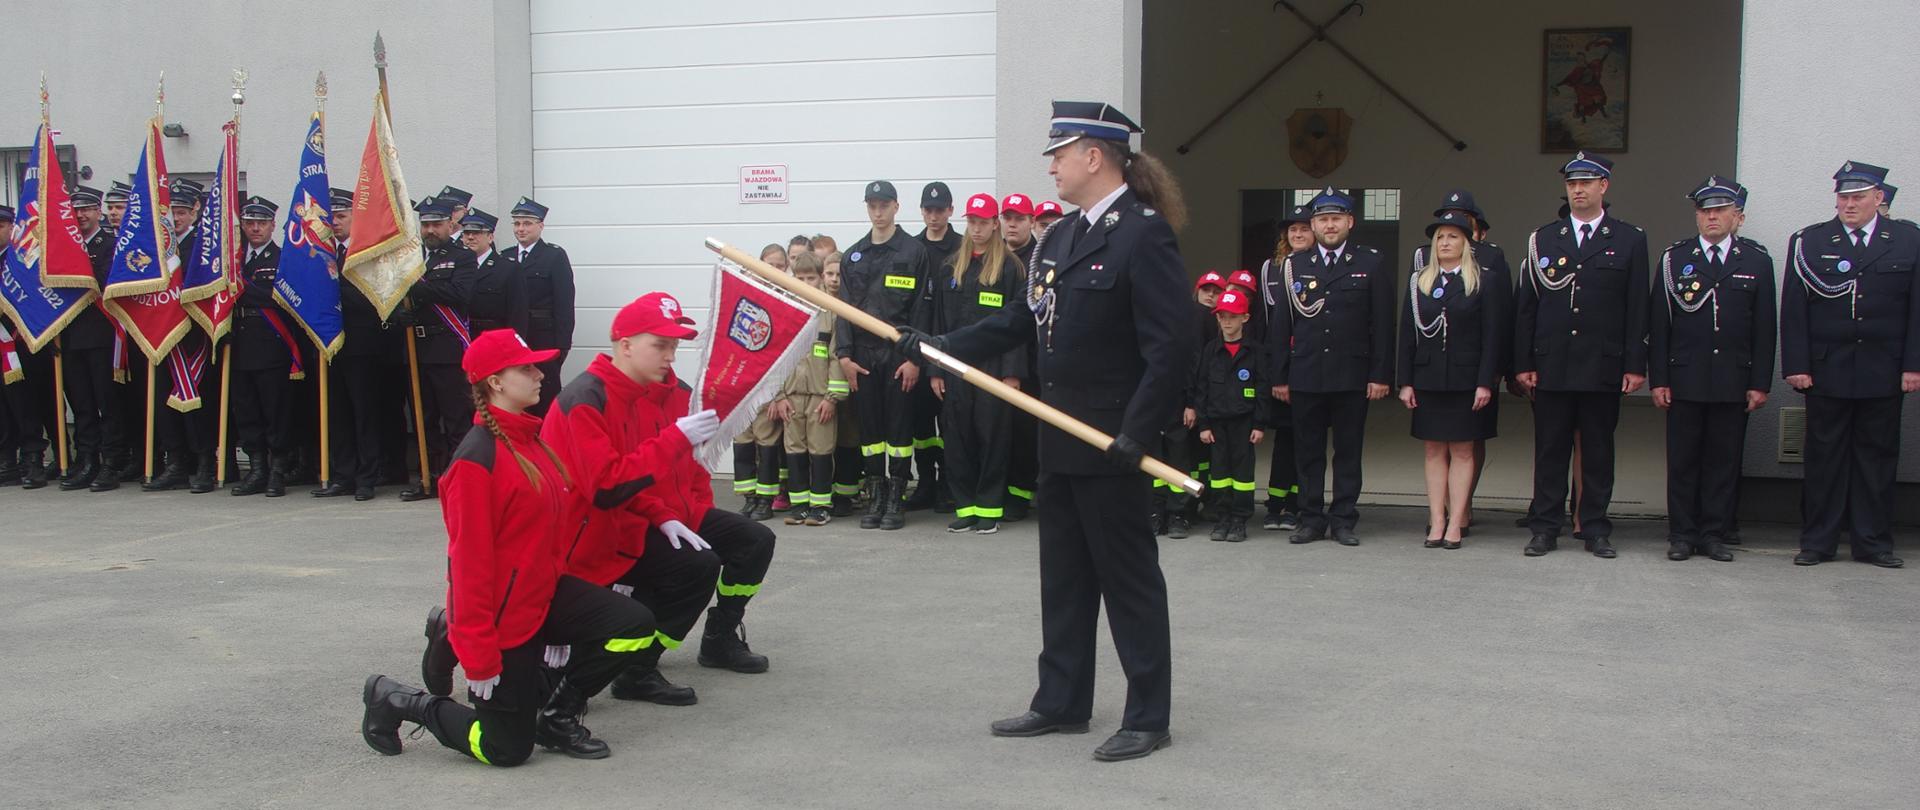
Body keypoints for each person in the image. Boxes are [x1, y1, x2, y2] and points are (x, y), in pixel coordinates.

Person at [897, 100, 1191, 762]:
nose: (1053, 164)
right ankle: (1061, 700)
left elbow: (1171, 349)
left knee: (1129, 581)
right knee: (1063, 578)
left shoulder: (1144, 235)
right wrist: (943, 344)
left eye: (1061, 152)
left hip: (1111, 441)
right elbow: (1023, 325)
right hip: (1057, 435)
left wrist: (1138, 435)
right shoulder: (1058, 239)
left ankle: (1149, 713)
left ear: (1096, 156)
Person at [360, 328, 658, 765]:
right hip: (502, 620)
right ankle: (399, 699)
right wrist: (479, 655)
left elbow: (551, 538)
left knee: (633, 624)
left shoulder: (530, 441)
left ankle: (557, 714)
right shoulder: (475, 461)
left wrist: (565, 621)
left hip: (542, 596)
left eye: (537, 365)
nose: (540, 374)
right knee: (506, 748)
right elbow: (468, 566)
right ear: (495, 382)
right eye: (527, 368)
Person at [540, 293, 776, 697]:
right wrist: (664, 498)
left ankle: (648, 663)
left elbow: (685, 466)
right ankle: (454, 634)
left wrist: (670, 514)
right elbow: (608, 487)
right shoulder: (588, 398)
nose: (671, 355)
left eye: (674, 346)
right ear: (626, 345)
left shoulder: (661, 390)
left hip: (646, 516)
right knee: (537, 692)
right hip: (591, 538)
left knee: (741, 545)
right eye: (660, 345)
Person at [1512, 152, 1650, 559]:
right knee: (1550, 450)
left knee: (1597, 450)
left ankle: (1594, 527)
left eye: (1587, 183)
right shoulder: (1544, 238)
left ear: (1603, 186)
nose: (1578, 190)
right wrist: (1524, 363)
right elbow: (1528, 307)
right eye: (1572, 183)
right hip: (1553, 362)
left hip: (1602, 363)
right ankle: (1545, 526)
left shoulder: (1629, 239)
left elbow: (1636, 306)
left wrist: (1634, 365)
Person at [1780, 161, 1917, 569]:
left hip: (1883, 369)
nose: (1849, 204)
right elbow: (1794, 310)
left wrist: (1914, 365)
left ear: (1879, 198)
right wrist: (1797, 364)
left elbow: (1916, 311)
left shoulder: (1908, 240)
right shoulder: (1810, 240)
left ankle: (1873, 541)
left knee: (1877, 458)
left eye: (1858, 196)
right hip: (1827, 369)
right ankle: (1818, 541)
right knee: (1824, 458)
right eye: (1843, 196)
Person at [1650, 177, 1773, 563]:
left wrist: (1759, 383)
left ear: (1737, 216)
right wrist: (1660, 379)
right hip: (1685, 376)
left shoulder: (1755, 260)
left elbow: (1765, 328)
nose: (1712, 217)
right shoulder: (1675, 258)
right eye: (1705, 211)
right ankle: (1682, 534)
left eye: (1720, 210)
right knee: (1683, 459)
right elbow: (1659, 324)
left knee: (1723, 460)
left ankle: (1714, 533)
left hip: (1732, 378)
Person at [1269, 187, 1396, 547]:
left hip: (1351, 375)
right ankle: (1311, 519)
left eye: (1336, 218)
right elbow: (1282, 326)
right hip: (1306, 373)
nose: (1329, 225)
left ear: (1349, 222)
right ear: (1313, 224)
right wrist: (1279, 376)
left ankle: (1343, 519)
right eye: (1322, 219)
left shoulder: (1370, 263)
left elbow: (1383, 324)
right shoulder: (1295, 264)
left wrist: (1380, 374)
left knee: (1348, 451)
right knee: (1307, 452)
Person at [1397, 211, 1508, 549]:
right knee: (1433, 450)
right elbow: (1408, 335)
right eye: (1440, 238)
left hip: (1465, 378)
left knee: (1462, 450)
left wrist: (1485, 381)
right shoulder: (1420, 282)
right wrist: (1405, 381)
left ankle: (1456, 523)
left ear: (1467, 243)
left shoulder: (1483, 280)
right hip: (1428, 377)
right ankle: (1437, 519)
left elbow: (1492, 336)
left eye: (1453, 237)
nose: (1445, 243)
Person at [838, 180, 936, 531]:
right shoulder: (853, 255)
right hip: (863, 355)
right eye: (872, 205)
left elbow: (924, 310)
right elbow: (843, 308)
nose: (878, 212)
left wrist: (916, 359)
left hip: (899, 354)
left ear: (896, 206)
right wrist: (844, 356)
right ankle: (875, 492)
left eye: (884, 205)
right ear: (867, 207)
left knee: (898, 428)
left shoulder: (913, 252)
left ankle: (896, 494)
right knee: (870, 431)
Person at [927, 193, 1027, 534]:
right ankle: (966, 506)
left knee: (992, 438)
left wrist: (1012, 373)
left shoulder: (1011, 268)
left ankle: (989, 508)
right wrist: (935, 370)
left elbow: (1018, 325)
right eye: (972, 222)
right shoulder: (952, 267)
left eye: (983, 222)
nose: (977, 228)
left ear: (994, 224)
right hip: (955, 368)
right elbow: (938, 323)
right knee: (957, 438)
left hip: (994, 369)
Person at [398, 196, 480, 502]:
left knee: (455, 417)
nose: (430, 230)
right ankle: (428, 478)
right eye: (426, 224)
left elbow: (460, 294)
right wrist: (398, 317)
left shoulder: (462, 257)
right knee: (424, 417)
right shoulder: (411, 258)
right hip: (415, 347)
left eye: (436, 224)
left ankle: (460, 478)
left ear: (450, 224)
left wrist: (420, 288)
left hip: (446, 346)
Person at [228, 196, 303, 497]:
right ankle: (257, 467)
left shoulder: (282, 258)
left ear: (273, 225)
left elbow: (280, 298)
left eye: (261, 223)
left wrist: (241, 291)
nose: (255, 229)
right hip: (240, 342)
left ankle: (277, 469)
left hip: (271, 342)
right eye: (249, 223)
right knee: (246, 408)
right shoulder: (233, 259)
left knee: (275, 409)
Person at [314, 187, 385, 500]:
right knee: (337, 413)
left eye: (341, 216)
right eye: (332, 217)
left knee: (365, 413)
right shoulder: (320, 252)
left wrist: (333, 291)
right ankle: (343, 474)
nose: (336, 223)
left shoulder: (364, 252)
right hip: (330, 346)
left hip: (361, 344)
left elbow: (372, 298)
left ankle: (367, 477)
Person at [58, 186, 128, 491]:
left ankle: (112, 461)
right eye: (76, 210)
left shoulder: (109, 244)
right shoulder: (63, 247)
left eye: (86, 209)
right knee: (81, 403)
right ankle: (86, 458)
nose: (81, 215)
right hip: (71, 334)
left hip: (101, 333)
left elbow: (105, 282)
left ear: (97, 211)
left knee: (106, 401)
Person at [774, 252, 849, 526]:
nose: (805, 283)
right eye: (800, 278)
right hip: (792, 398)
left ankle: (820, 505)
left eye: (811, 278)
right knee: (795, 451)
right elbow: (776, 359)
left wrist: (832, 398)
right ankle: (799, 504)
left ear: (820, 279)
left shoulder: (829, 314)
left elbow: (836, 358)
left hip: (820, 398)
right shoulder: (785, 312)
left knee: (820, 451)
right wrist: (779, 396)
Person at [1193, 289, 1269, 542]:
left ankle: (1239, 519)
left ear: (1245, 318)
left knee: (1243, 474)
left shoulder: (1255, 351)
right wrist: (1203, 424)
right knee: (1219, 472)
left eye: (1232, 316)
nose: (1226, 321)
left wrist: (1259, 424)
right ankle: (1222, 517)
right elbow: (1201, 388)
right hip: (1216, 423)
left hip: (1244, 422)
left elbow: (1262, 389)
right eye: (1222, 316)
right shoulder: (1210, 350)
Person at [1255, 205, 1313, 532]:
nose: (1298, 234)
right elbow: (1266, 325)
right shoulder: (1271, 269)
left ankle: (1301, 504)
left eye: (1304, 228)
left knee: (1306, 438)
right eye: (1292, 230)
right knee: (1285, 438)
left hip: (1310, 367)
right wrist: (1273, 373)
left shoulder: (1321, 267)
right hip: (1282, 369)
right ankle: (1277, 503)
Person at [907, 181, 961, 513]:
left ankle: (949, 485)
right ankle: (926, 483)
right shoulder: (912, 248)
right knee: (922, 426)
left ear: (951, 211)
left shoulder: (963, 246)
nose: (934, 215)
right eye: (929, 209)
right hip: (918, 349)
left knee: (951, 425)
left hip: (950, 350)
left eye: (940, 210)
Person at [1159, 271, 1225, 539]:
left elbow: (1197, 363)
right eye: (1205, 289)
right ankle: (1157, 512)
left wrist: (1191, 402)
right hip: (1155, 400)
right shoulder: (1144, 313)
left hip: (1181, 400)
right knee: (1156, 460)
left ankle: (1180, 513)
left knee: (1181, 459)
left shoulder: (1198, 317)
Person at [503, 198, 574, 415]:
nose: (521, 229)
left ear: (540, 226)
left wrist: (562, 345)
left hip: (543, 337)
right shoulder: (504, 256)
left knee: (545, 395)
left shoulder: (554, 256)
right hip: (514, 337)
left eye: (527, 223)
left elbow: (564, 303)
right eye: (517, 223)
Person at [999, 192, 1042, 521]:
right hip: (994, 357)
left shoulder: (1039, 261)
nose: (1011, 224)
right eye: (1007, 218)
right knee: (997, 430)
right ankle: (1000, 489)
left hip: (1030, 362)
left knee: (1024, 431)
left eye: (1019, 218)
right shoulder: (993, 257)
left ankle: (1020, 494)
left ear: (1031, 222)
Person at [823, 252, 864, 516]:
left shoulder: (854, 302)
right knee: (824, 440)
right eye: (830, 273)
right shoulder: (817, 305)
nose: (835, 279)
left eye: (840, 274)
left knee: (849, 438)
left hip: (850, 382)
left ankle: (846, 495)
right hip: (820, 385)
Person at [464, 209, 518, 335]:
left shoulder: (508, 268)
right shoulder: (458, 267)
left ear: (490, 237)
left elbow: (517, 314)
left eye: (477, 233)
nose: (470, 237)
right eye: (466, 233)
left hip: (494, 338)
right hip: (463, 338)